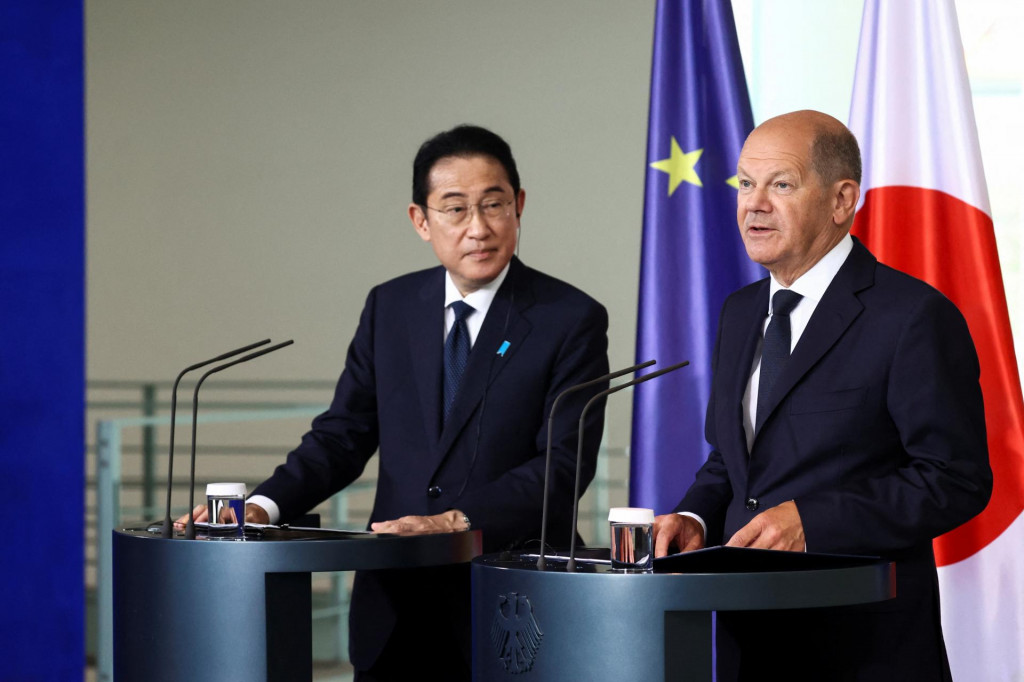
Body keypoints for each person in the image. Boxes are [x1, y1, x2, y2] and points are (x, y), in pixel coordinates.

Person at [177, 125, 610, 680]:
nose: (478, 228)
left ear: (519, 206)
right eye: (455, 209)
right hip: (395, 602)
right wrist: (263, 508)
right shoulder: (392, 306)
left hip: (511, 604)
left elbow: (564, 464)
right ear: (421, 221)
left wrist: (459, 520)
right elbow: (342, 435)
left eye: (494, 204)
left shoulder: (568, 318)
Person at [652, 110, 992, 681]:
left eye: (780, 184)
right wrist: (695, 516)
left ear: (841, 201)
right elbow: (735, 460)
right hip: (749, 642)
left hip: (863, 645)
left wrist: (814, 521)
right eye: (744, 183)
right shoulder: (740, 312)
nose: (753, 204)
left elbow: (955, 479)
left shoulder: (912, 317)